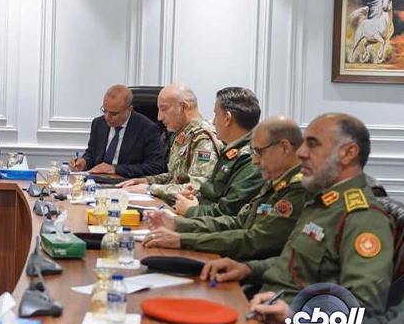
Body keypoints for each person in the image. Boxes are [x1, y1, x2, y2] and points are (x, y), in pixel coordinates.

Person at [200, 113, 395, 305]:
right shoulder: (322, 202)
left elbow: (366, 307)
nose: (301, 152)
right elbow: (295, 264)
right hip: (264, 303)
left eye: (312, 144)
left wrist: (297, 317)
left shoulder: (364, 217)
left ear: (348, 153)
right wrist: (247, 268)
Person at [143, 115, 308, 261]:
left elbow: (255, 240)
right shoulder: (276, 179)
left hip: (254, 272)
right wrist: (176, 224)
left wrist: (182, 239)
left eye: (259, 152)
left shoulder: (298, 188)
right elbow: (237, 222)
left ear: (284, 147)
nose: (255, 161)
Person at [117, 83, 221, 202]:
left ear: (184, 107)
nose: (159, 117)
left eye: (164, 109)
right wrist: (147, 181)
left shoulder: (204, 139)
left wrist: (150, 188)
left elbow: (196, 189)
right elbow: (176, 177)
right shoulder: (183, 134)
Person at [173, 87, 264, 217]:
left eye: (216, 114)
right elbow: (213, 192)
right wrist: (193, 197)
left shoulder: (251, 159)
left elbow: (229, 211)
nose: (213, 121)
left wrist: (192, 210)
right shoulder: (231, 150)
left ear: (228, 119)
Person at [68, 85, 165, 178]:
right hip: (97, 180)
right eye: (105, 110)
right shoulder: (98, 123)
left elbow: (155, 167)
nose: (107, 117)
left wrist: (116, 169)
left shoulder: (147, 129)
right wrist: (84, 162)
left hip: (126, 182)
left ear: (129, 109)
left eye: (113, 114)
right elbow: (92, 153)